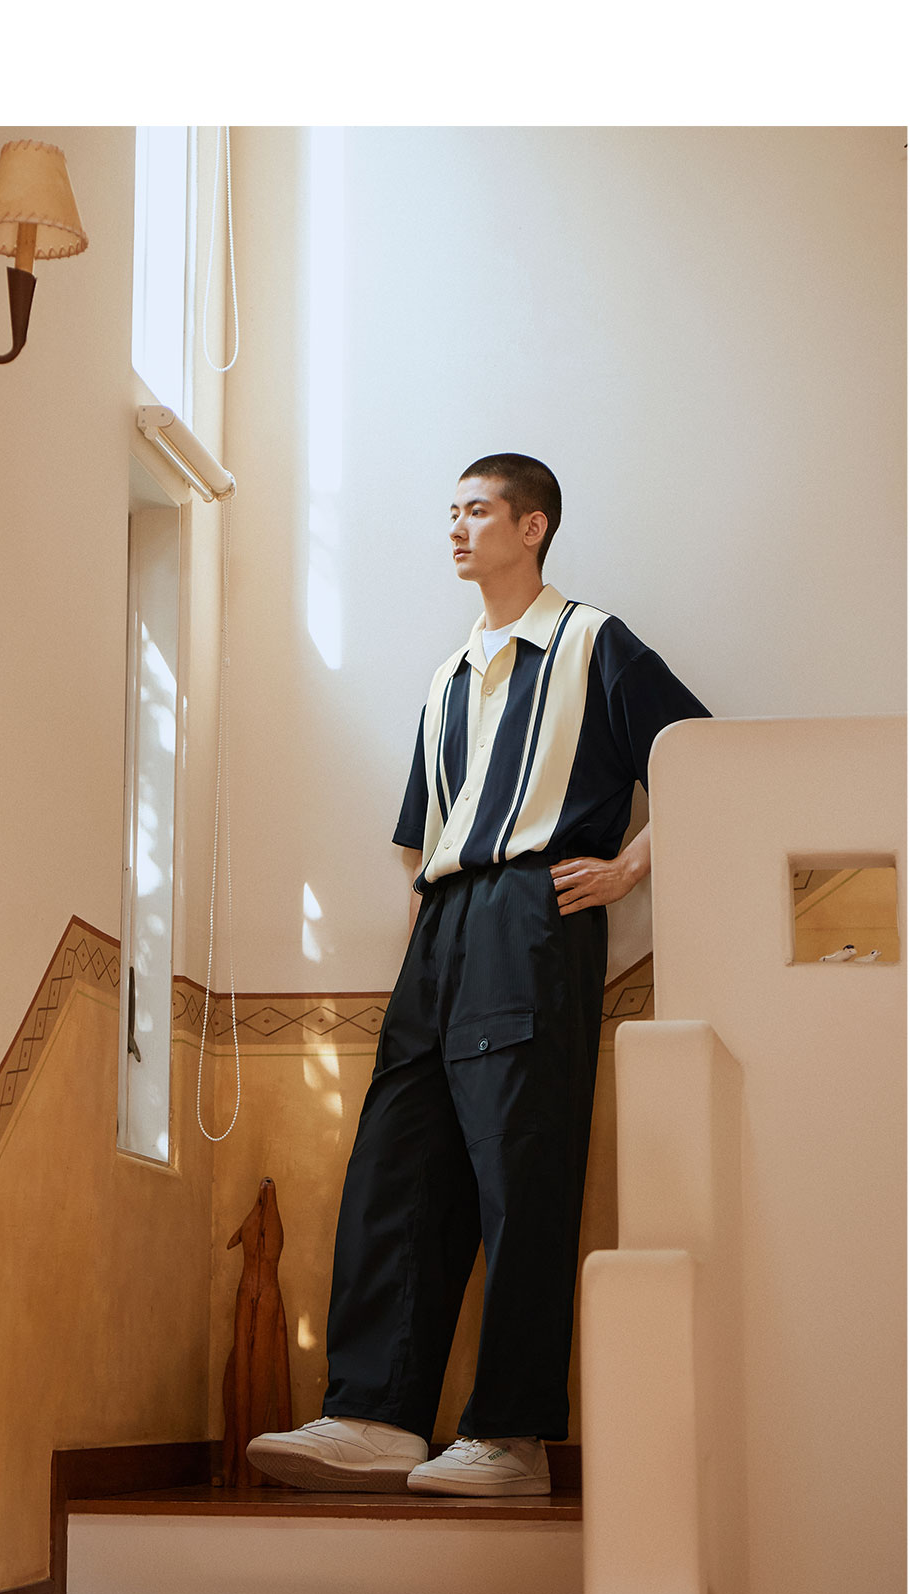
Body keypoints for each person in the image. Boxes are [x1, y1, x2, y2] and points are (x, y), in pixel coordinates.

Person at [247, 453, 710, 1497]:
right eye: (450, 511)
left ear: (532, 525)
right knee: (397, 1160)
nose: (455, 527)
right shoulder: (449, 675)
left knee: (521, 1164)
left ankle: (512, 1434)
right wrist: (422, 947)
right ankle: (374, 1413)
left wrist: (629, 866)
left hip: (533, 913)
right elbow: (428, 833)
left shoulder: (593, 641)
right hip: (441, 924)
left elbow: (702, 759)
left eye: (476, 510)